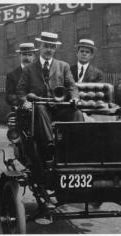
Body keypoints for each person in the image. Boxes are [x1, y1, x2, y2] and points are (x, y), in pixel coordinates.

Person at [17, 32, 84, 161]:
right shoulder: (29, 69)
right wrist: (25, 101)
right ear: (40, 47)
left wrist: (75, 98)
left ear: (55, 49)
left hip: (59, 108)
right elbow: (21, 90)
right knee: (41, 108)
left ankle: (77, 146)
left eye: (52, 47)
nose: (49, 50)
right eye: (46, 46)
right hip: (40, 111)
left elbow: (72, 87)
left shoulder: (63, 66)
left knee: (77, 113)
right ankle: (51, 146)